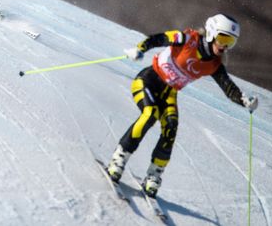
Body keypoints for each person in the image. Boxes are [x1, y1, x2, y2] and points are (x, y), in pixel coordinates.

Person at [105, 13, 258, 198]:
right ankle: (119, 158)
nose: (225, 46)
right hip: (149, 81)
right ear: (211, 33)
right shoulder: (187, 39)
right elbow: (159, 38)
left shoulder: (214, 64)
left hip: (169, 94)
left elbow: (227, 86)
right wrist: (140, 49)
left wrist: (243, 100)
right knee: (150, 114)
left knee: (170, 128)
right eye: (223, 38)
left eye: (231, 42)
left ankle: (154, 175)